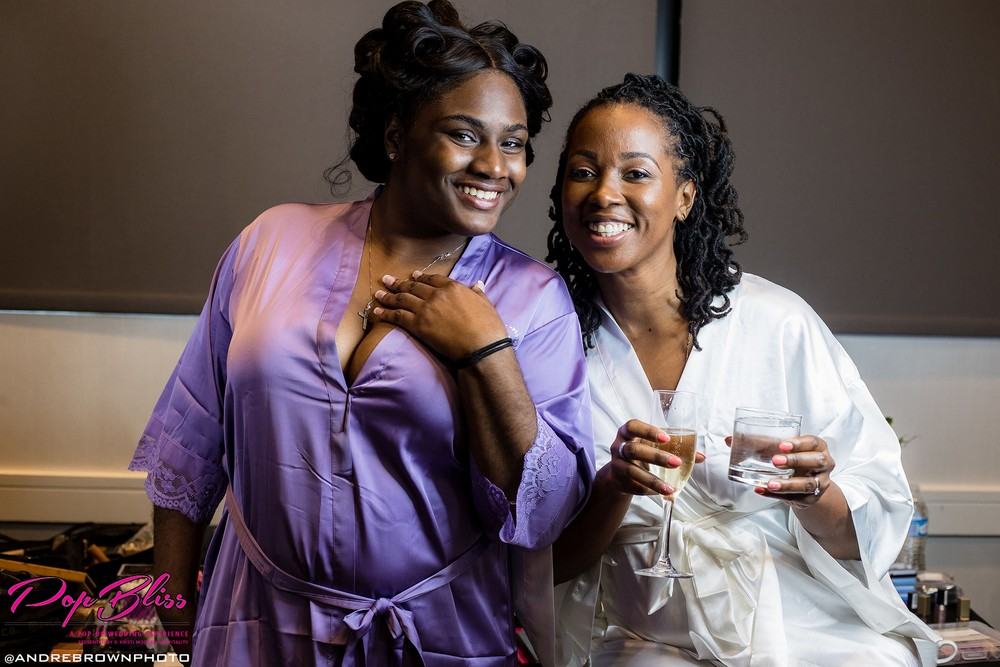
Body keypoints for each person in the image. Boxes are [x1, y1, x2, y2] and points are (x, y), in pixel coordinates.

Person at [128, 2, 594, 664]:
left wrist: (486, 352)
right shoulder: (271, 241)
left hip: (433, 640)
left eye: (514, 143)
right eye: (465, 135)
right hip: (254, 625)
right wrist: (169, 628)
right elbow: (187, 450)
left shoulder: (533, 299)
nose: (495, 166)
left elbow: (541, 514)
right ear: (397, 135)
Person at [547, 74, 940, 666]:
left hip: (798, 622)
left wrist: (815, 493)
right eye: (583, 171)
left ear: (684, 196)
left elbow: (869, 529)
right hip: (644, 635)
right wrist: (612, 488)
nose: (604, 193)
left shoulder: (775, 323)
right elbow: (548, 562)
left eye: (636, 173)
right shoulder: (550, 344)